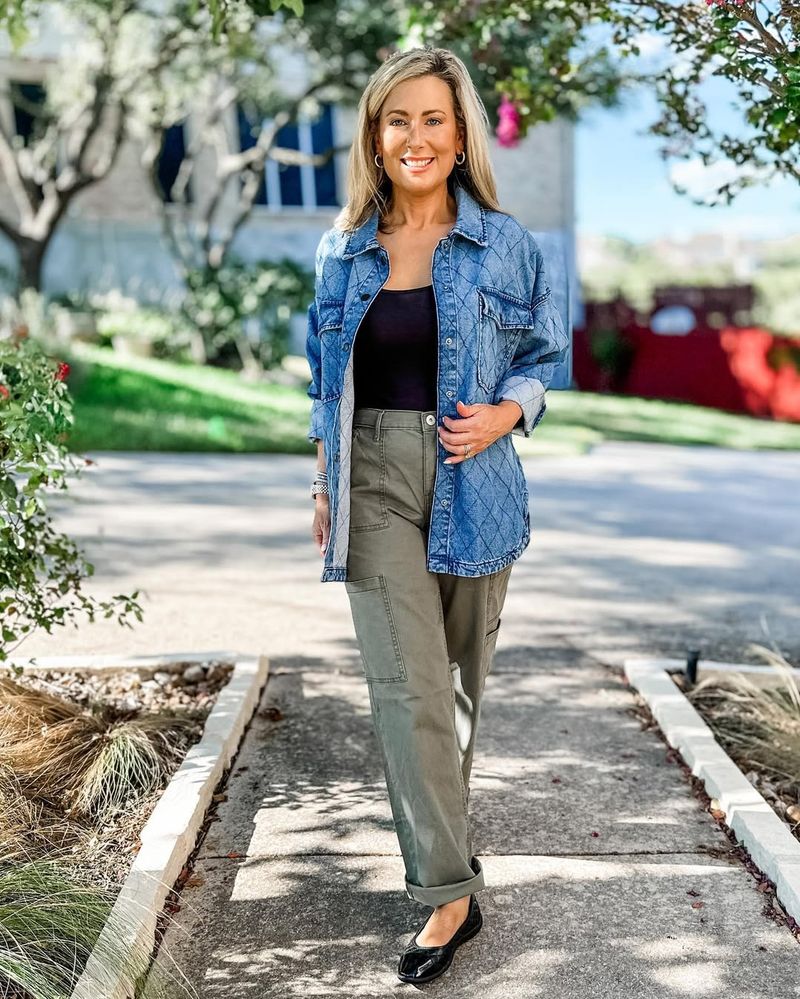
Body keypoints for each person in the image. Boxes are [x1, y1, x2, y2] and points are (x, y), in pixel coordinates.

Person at [305, 45, 569, 984]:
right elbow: (322, 377)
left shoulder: (506, 242)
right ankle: (448, 896)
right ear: (376, 138)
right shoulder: (343, 249)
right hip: (372, 471)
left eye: (433, 120)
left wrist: (510, 410)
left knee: (457, 689)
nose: (414, 137)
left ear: (460, 138)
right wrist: (325, 480)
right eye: (396, 120)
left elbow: (549, 351)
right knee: (407, 687)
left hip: (475, 477)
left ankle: (447, 848)